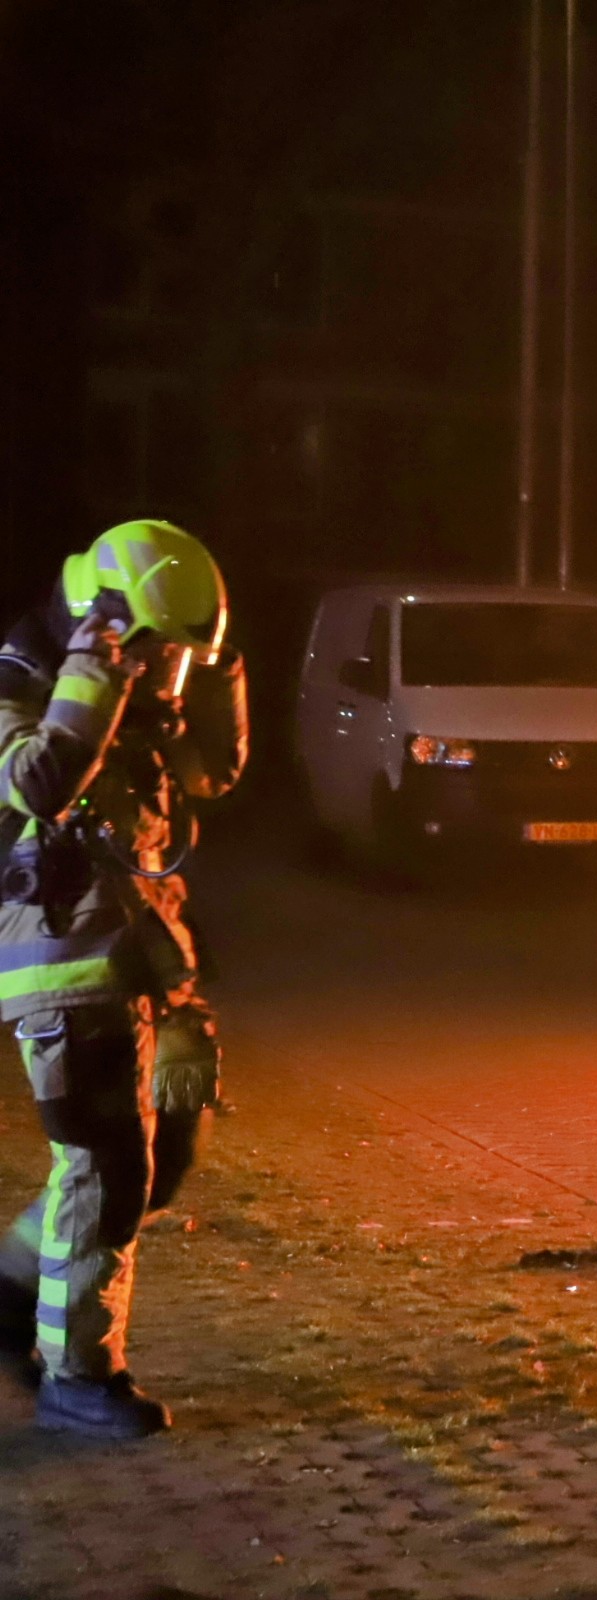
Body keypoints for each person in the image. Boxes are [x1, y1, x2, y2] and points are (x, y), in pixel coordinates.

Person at [0, 520, 245, 1438]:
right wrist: (96, 664)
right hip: (62, 966)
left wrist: (216, 666)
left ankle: (11, 1289)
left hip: (142, 961)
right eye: (151, 649)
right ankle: (78, 1381)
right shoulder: (24, 683)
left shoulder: (130, 700)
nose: (159, 671)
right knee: (103, 1167)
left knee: (161, 1161)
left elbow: (215, 772)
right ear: (104, 625)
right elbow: (40, 782)